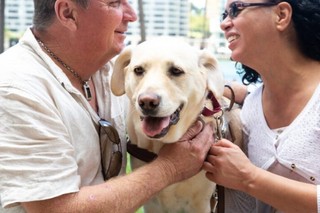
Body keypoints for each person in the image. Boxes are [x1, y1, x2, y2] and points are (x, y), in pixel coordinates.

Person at [0, 0, 215, 212]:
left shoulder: (107, 69)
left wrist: (237, 92)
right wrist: (169, 168)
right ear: (68, 13)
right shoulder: (16, 89)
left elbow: (175, 81)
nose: (132, 15)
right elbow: (57, 209)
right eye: (115, 3)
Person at [203, 0, 320, 212]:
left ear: (282, 15)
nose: (224, 24)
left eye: (236, 10)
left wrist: (248, 178)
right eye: (224, 15)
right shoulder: (251, 108)